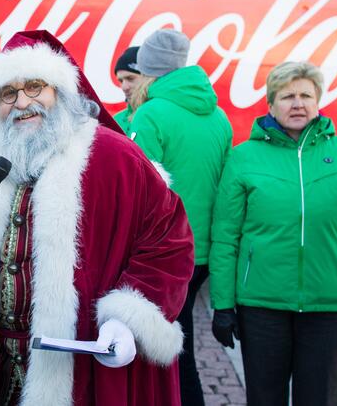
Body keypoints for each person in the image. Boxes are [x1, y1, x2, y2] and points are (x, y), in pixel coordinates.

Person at [0, 30, 194, 406]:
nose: (23, 102)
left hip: (82, 365)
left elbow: (168, 239)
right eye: (8, 93)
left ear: (61, 91)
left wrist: (128, 317)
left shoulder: (115, 157)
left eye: (35, 86)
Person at [209, 61, 337, 406]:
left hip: (327, 307)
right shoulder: (244, 157)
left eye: (306, 95)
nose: (298, 103)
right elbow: (226, 237)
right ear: (271, 104)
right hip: (261, 307)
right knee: (265, 399)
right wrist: (223, 305)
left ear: (318, 101)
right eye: (287, 96)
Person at [126, 28, 232, 406]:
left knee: (167, 353)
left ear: (149, 68)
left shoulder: (151, 112)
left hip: (163, 251)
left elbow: (138, 187)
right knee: (178, 341)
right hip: (200, 250)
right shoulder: (218, 117)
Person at [112, 46, 141, 132]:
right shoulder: (116, 121)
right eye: (121, 81)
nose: (124, 87)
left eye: (130, 78)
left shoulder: (163, 115)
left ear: (148, 78)